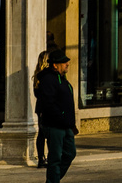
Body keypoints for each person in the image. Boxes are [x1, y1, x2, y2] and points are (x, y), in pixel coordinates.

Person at [35, 50, 77, 183]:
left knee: (70, 153)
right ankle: (53, 181)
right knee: (55, 158)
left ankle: (54, 179)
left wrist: (70, 124)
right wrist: (62, 118)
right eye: (64, 62)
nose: (67, 64)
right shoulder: (48, 79)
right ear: (55, 65)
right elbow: (49, 103)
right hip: (54, 125)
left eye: (67, 61)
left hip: (66, 125)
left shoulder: (62, 79)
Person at [31, 50, 51, 166]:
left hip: (40, 107)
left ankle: (41, 158)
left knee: (42, 134)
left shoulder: (37, 74)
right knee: (47, 133)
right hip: (45, 107)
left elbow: (36, 93)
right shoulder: (45, 75)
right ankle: (46, 157)